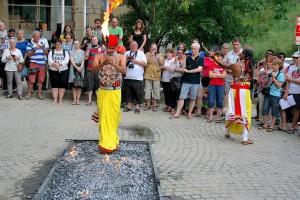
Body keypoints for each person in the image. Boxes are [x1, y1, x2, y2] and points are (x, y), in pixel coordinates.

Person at [92, 35, 126, 153]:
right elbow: (93, 70)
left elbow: (124, 71)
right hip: (103, 91)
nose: (111, 49)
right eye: (109, 47)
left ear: (117, 46)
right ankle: (105, 144)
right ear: (106, 45)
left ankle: (113, 142)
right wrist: (103, 64)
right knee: (104, 118)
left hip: (115, 91)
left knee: (113, 118)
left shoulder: (121, 57)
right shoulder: (99, 56)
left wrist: (113, 64)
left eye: (113, 48)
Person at [213, 49, 255, 145]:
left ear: (244, 55)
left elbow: (223, 66)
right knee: (245, 112)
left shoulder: (236, 65)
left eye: (241, 53)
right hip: (245, 90)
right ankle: (244, 137)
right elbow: (242, 76)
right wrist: (233, 74)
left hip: (236, 90)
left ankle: (231, 134)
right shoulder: (250, 66)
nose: (239, 54)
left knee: (232, 110)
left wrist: (214, 58)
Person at [171, 42, 204, 119]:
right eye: (192, 48)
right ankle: (177, 112)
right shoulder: (187, 57)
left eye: (194, 49)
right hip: (186, 80)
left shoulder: (201, 59)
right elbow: (183, 67)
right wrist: (184, 67)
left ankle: (189, 113)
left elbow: (199, 69)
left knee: (193, 98)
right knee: (181, 97)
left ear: (198, 50)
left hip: (195, 81)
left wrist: (189, 71)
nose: (192, 50)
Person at [259, 59, 284, 132]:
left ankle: (272, 126)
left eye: (275, 65)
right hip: (268, 93)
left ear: (279, 66)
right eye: (273, 64)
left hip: (276, 95)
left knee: (274, 111)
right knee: (265, 109)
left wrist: (273, 78)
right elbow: (266, 83)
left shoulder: (281, 74)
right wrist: (268, 77)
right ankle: (265, 124)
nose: (273, 66)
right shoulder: (271, 72)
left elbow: (279, 85)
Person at [123, 41, 147, 114]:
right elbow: (122, 63)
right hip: (128, 77)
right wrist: (127, 59)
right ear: (129, 46)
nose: (133, 46)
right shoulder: (127, 53)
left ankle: (137, 107)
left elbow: (145, 64)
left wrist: (135, 61)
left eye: (134, 45)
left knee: (137, 93)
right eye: (131, 45)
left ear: (137, 46)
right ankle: (129, 106)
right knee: (128, 93)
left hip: (137, 77)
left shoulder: (141, 53)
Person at [280, 51, 300, 133]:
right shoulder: (291, 67)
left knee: (296, 109)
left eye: (296, 58)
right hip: (291, 90)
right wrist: (286, 91)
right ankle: (284, 124)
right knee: (282, 105)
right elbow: (287, 81)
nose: (294, 59)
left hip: (298, 92)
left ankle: (293, 126)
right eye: (294, 57)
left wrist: (290, 79)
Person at [25, 31, 48, 100]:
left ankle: (39, 94)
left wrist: (43, 48)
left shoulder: (42, 43)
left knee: (40, 80)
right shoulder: (30, 44)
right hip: (33, 63)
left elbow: (47, 54)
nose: (38, 37)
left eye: (38, 36)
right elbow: (29, 55)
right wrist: (35, 49)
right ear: (33, 37)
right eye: (36, 36)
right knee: (31, 79)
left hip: (42, 64)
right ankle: (29, 93)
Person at [144, 43, 165, 111]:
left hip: (156, 76)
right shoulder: (147, 54)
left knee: (156, 91)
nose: (154, 50)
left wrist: (158, 58)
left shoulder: (160, 55)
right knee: (147, 90)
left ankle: (155, 105)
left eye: (155, 49)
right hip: (148, 75)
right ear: (150, 48)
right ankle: (148, 104)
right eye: (153, 49)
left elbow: (162, 64)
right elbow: (145, 63)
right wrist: (151, 56)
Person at [48, 39, 70, 104]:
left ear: (61, 44)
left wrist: (59, 64)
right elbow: (49, 60)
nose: (58, 45)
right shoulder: (51, 52)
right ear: (55, 45)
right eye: (57, 44)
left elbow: (66, 60)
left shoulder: (65, 52)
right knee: (54, 85)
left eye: (59, 44)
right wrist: (55, 64)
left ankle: (60, 99)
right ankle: (55, 99)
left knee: (62, 85)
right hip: (53, 70)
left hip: (63, 70)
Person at [84, 36, 105, 106]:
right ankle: (89, 100)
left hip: (99, 69)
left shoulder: (102, 48)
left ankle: (98, 100)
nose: (94, 41)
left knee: (98, 85)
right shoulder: (89, 48)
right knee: (89, 85)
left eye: (95, 39)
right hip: (90, 69)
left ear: (98, 40)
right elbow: (86, 58)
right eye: (93, 40)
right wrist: (88, 49)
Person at [207, 51, 226, 123]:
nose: (219, 57)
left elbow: (223, 76)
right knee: (211, 101)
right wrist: (219, 75)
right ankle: (210, 117)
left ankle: (217, 117)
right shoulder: (212, 65)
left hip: (220, 85)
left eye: (220, 56)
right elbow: (210, 75)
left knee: (219, 101)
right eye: (217, 56)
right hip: (212, 85)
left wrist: (215, 74)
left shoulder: (223, 65)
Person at [69, 40, 85, 105]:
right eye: (75, 44)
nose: (76, 45)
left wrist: (81, 67)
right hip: (73, 67)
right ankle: (74, 100)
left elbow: (83, 60)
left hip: (81, 68)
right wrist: (76, 67)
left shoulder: (82, 52)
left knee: (79, 84)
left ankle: (78, 99)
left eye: (77, 44)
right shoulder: (71, 51)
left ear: (79, 44)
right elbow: (71, 60)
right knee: (74, 85)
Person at [169, 48, 184, 115]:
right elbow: (171, 69)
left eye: (181, 53)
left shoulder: (184, 60)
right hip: (174, 79)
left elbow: (184, 70)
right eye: (178, 53)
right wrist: (175, 63)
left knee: (180, 96)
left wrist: (178, 70)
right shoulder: (173, 60)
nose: (179, 54)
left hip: (182, 79)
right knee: (173, 95)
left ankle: (179, 109)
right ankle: (172, 108)